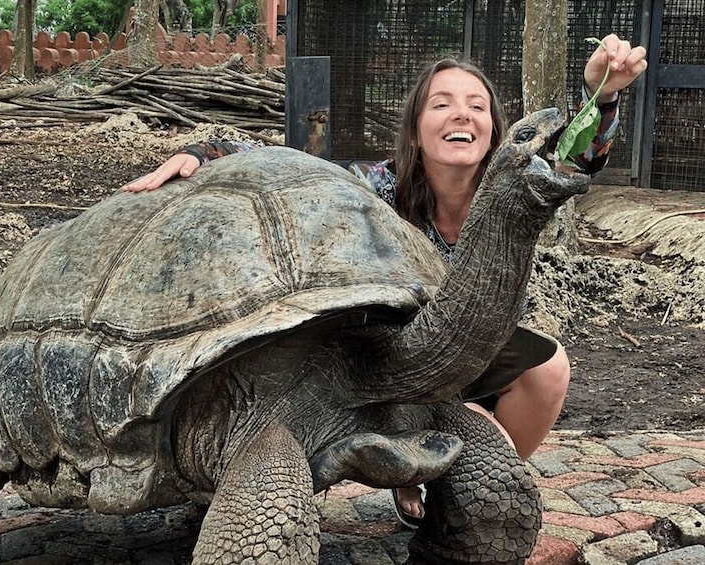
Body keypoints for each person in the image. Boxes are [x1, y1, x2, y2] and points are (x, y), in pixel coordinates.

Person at [122, 33, 647, 528]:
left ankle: (452, 490)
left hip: (464, 345)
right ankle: (423, 461)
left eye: (477, 105)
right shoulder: (377, 187)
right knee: (463, 420)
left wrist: (600, 96)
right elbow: (292, 167)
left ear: (494, 131)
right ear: (416, 127)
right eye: (441, 103)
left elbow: (570, 160)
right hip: (385, 353)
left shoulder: (507, 190)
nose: (461, 113)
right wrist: (200, 154)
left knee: (548, 369)